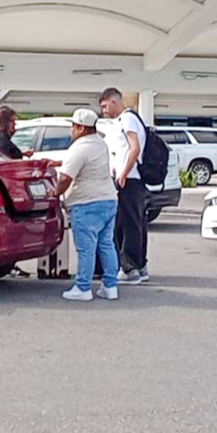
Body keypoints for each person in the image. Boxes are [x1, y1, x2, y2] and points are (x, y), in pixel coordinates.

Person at [54, 109, 120, 302]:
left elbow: (65, 177)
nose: (71, 130)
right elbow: (82, 163)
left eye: (73, 126)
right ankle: (110, 286)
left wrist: (55, 193)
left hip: (87, 202)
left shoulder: (79, 148)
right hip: (109, 199)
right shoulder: (100, 143)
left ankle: (83, 287)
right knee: (106, 244)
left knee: (86, 248)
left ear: (81, 128)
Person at [97, 87, 148, 285]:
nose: (104, 110)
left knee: (129, 224)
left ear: (114, 101)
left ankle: (130, 267)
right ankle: (139, 265)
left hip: (129, 179)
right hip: (127, 178)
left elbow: (134, 148)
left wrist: (124, 172)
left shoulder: (127, 119)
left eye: (105, 105)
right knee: (133, 222)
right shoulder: (122, 121)